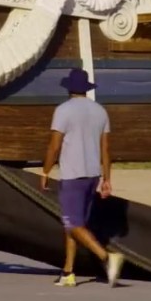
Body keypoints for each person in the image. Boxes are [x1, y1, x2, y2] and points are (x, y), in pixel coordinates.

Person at [41, 68, 125, 288]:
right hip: (92, 175)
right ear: (86, 89)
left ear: (69, 88)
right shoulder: (100, 111)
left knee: (73, 223)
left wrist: (45, 170)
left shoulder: (63, 111)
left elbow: (54, 145)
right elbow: (105, 149)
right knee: (75, 224)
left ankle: (107, 257)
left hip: (72, 175)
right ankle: (68, 272)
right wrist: (107, 178)